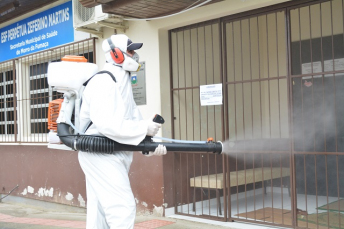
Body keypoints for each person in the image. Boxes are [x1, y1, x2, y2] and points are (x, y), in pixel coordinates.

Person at [78, 34, 167, 229]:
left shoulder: (122, 82)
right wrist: (143, 128)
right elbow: (108, 124)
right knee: (122, 208)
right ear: (116, 54)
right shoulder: (104, 81)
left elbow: (133, 121)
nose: (134, 56)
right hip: (99, 153)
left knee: (100, 212)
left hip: (112, 153)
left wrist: (150, 145)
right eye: (130, 51)